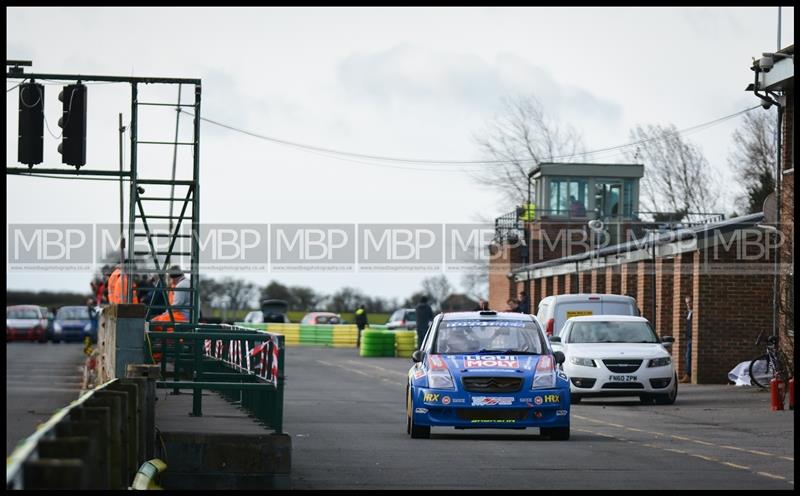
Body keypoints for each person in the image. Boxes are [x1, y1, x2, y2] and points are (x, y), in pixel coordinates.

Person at [680, 296, 693, 383]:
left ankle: (688, 375)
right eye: (687, 303)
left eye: (689, 302)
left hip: (692, 338)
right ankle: (687, 374)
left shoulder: (693, 313)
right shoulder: (689, 313)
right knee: (687, 356)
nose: (688, 305)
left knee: (688, 356)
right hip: (688, 338)